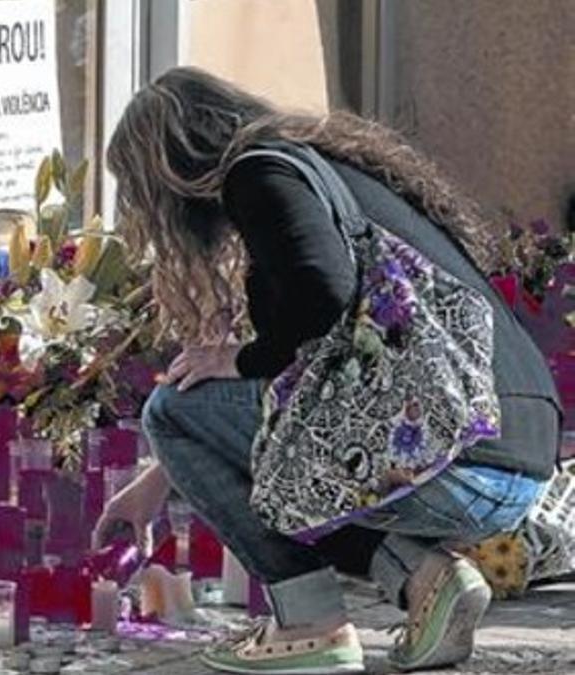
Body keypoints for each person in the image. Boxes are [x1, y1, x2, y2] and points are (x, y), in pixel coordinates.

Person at [95, 68, 560, 674]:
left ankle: (310, 622)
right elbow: (314, 388)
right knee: (260, 445)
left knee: (172, 409)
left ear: (171, 172)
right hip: (510, 462)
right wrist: (161, 478)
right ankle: (425, 580)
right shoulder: (328, 172)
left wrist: (235, 359)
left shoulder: (258, 175)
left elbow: (322, 296)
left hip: (463, 466)